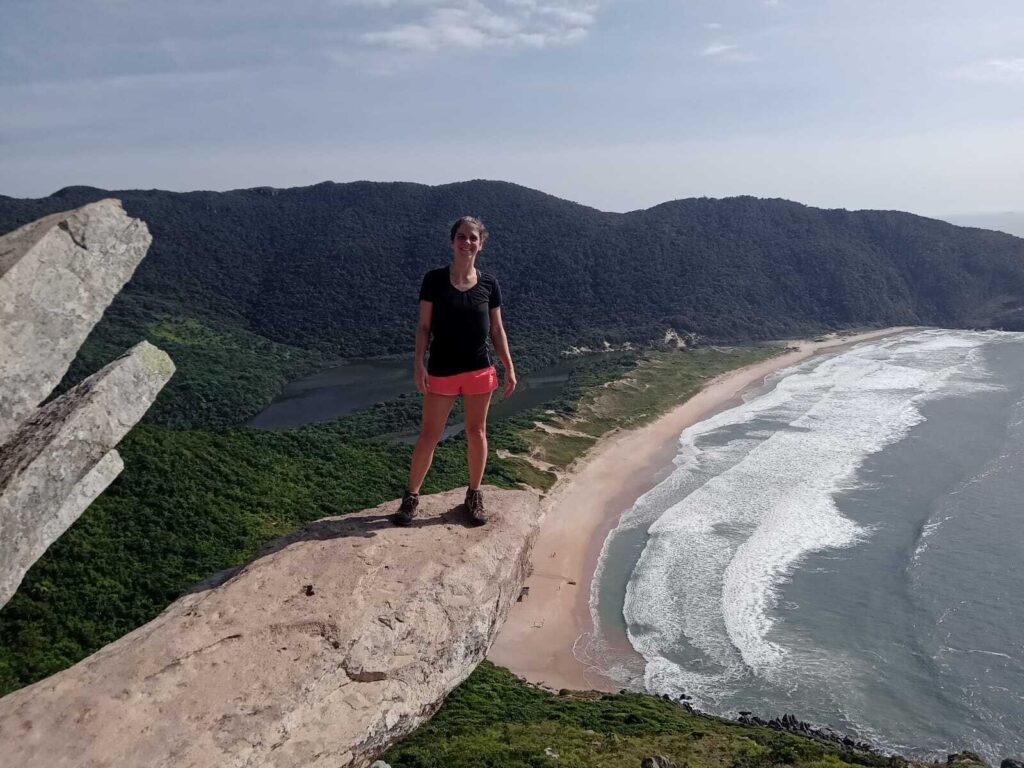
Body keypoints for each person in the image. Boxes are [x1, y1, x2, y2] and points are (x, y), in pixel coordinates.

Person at [393, 216, 516, 526]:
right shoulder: (434, 280)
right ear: (452, 241)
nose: (467, 242)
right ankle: (411, 498)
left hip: (479, 369)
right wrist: (418, 363)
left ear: (481, 243)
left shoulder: (489, 284)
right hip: (442, 370)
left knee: (477, 433)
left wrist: (509, 367)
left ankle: (473, 495)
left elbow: (497, 330)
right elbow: (423, 327)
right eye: (461, 236)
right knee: (429, 435)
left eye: (473, 237)